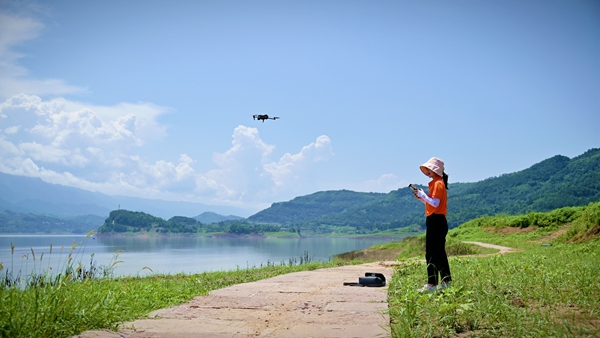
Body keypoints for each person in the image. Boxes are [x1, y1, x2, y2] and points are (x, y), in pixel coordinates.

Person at [413, 157, 452, 292]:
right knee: (439, 252)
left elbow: (434, 203)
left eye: (430, 169)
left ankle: (432, 284)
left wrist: (423, 195)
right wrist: (422, 198)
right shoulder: (438, 183)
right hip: (438, 220)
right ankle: (446, 281)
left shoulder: (437, 183)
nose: (428, 171)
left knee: (431, 252)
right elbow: (434, 203)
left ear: (435, 170)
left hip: (435, 221)